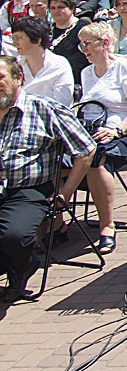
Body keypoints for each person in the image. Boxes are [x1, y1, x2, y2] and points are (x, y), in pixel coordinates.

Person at [0, 56, 97, 301]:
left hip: (27, 190)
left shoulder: (44, 108)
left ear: (18, 78)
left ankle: (22, 266)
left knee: (14, 236)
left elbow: (86, 149)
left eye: (0, 77)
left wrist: (66, 192)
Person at [77, 22, 127, 253]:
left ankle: (106, 227)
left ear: (105, 43)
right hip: (92, 130)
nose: (83, 49)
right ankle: (54, 221)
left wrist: (117, 130)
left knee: (96, 159)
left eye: (87, 44)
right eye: (81, 45)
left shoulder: (124, 68)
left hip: (123, 132)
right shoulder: (86, 73)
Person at [12, 16, 74, 107]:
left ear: (37, 40)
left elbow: (63, 105)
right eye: (13, 38)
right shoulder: (15, 66)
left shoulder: (59, 65)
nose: (15, 43)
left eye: (19, 37)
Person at [47, 0, 92, 86]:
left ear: (72, 8)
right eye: (52, 8)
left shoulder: (84, 27)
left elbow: (81, 59)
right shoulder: (46, 29)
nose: (56, 11)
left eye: (61, 7)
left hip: (75, 80)